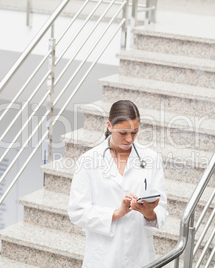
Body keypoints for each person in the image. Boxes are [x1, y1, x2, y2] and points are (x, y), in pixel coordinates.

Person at [68, 100, 168, 268]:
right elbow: (77, 212)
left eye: (134, 132)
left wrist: (149, 213)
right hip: (104, 256)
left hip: (140, 254)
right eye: (123, 133)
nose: (129, 139)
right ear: (109, 125)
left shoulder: (151, 159)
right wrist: (116, 213)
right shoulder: (88, 160)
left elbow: (162, 209)